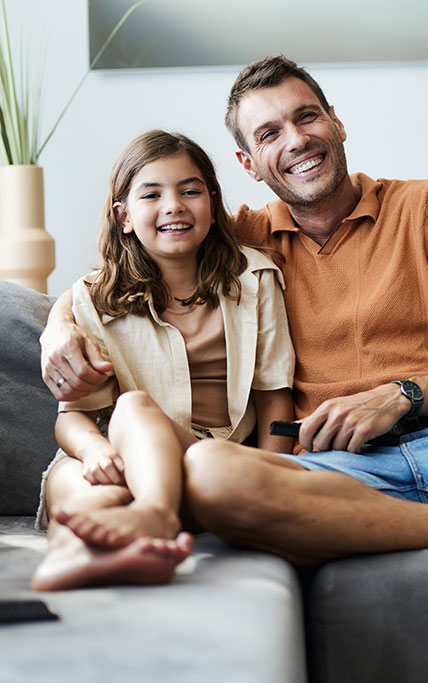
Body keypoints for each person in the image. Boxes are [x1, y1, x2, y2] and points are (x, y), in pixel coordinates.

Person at [40, 56, 428, 683]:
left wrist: (401, 395)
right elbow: (133, 256)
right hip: (334, 470)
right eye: (269, 133)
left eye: (307, 117)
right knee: (211, 472)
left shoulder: (427, 206)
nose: (297, 139)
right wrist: (58, 325)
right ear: (248, 165)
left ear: (337, 122)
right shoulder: (238, 241)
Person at [32, 130, 296, 592]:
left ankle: (153, 513)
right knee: (79, 482)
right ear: (124, 217)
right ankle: (71, 555)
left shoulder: (254, 280)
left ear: (212, 206)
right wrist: (95, 452)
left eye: (190, 190)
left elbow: (275, 398)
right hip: (119, 456)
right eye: (151, 194)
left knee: (132, 406)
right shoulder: (96, 299)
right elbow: (72, 418)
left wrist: (272, 477)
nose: (173, 205)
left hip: (204, 459)